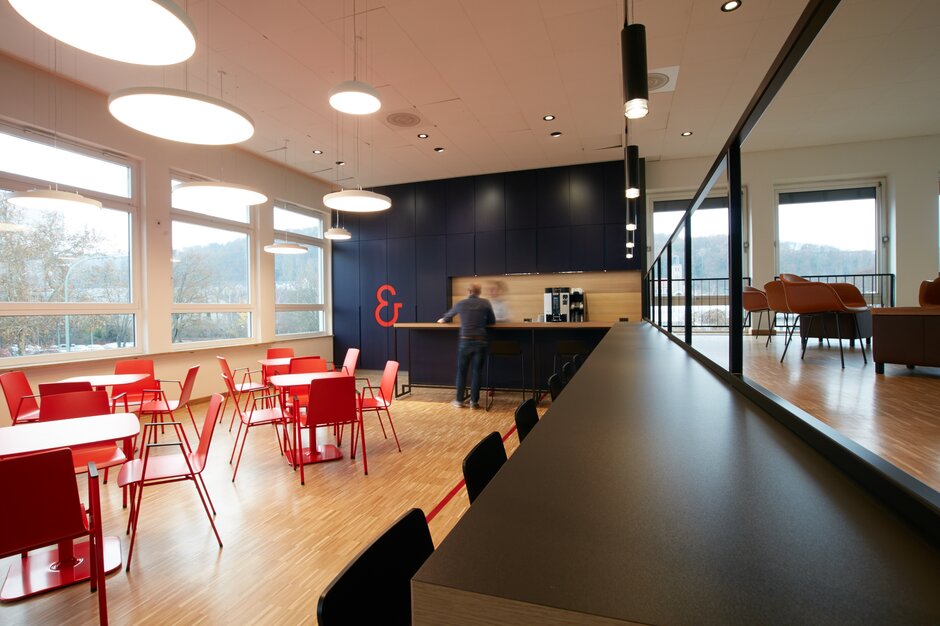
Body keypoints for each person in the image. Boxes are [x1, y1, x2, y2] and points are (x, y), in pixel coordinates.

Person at [437, 284, 495, 408]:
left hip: (465, 341)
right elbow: (492, 321)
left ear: (469, 291)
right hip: (480, 341)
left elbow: (447, 317)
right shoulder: (485, 303)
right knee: (477, 372)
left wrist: (442, 320)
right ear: (479, 292)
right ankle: (474, 402)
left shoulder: (461, 303)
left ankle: (459, 401)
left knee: (462, 371)